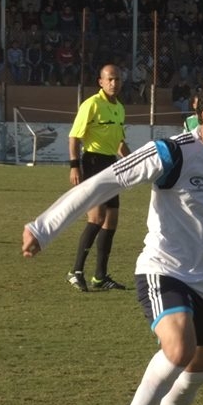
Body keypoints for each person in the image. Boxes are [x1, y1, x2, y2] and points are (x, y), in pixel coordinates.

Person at [22, 79, 203, 405]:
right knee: (179, 349)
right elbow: (104, 182)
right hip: (164, 270)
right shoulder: (170, 153)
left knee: (201, 370)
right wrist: (44, 228)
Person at [65, 64, 131, 292]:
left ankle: (100, 277)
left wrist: (134, 162)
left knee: (111, 220)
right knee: (96, 216)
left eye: (118, 79)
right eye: (110, 79)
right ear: (101, 81)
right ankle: (75, 271)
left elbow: (120, 143)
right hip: (93, 162)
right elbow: (74, 137)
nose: (114, 83)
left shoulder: (119, 108)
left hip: (111, 165)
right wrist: (75, 166)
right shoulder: (91, 105)